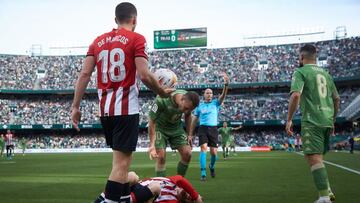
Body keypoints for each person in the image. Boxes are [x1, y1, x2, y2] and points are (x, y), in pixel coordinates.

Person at [71, 3, 173, 203]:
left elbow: (84, 74)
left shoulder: (97, 42)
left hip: (106, 111)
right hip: (126, 110)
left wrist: (75, 106)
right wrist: (161, 91)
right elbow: (144, 75)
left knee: (122, 167)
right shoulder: (137, 39)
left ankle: (124, 199)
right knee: (120, 167)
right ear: (134, 20)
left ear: (115, 20)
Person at [286, 44, 340, 203]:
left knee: (313, 157)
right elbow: (336, 99)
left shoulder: (300, 72)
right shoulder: (326, 74)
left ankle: (324, 197)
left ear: (302, 57)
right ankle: (327, 191)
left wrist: (289, 119)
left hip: (312, 119)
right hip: (327, 120)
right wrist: (334, 119)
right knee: (318, 158)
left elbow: (296, 96)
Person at [148, 90, 200, 177]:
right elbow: (151, 121)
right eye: (186, 108)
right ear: (182, 99)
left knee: (187, 153)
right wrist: (152, 144)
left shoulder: (187, 101)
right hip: (160, 129)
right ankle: (162, 186)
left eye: (189, 109)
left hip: (176, 128)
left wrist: (189, 134)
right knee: (161, 157)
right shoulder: (161, 100)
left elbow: (187, 115)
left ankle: (178, 183)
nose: (186, 111)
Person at [189, 73, 229, 181]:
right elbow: (194, 120)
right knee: (203, 149)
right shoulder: (199, 106)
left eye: (211, 93)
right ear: (204, 95)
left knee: (214, 153)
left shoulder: (216, 103)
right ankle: (203, 173)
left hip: (213, 129)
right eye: (207, 93)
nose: (209, 94)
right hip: (202, 128)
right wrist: (190, 134)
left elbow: (223, 96)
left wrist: (226, 85)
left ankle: (211, 166)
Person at [95, 171, 203, 203]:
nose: (189, 196)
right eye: (190, 195)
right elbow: (180, 179)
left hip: (141, 197)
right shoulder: (173, 182)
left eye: (189, 199)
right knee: (132, 175)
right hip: (135, 188)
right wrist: (196, 197)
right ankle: (101, 199)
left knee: (156, 187)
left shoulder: (172, 200)